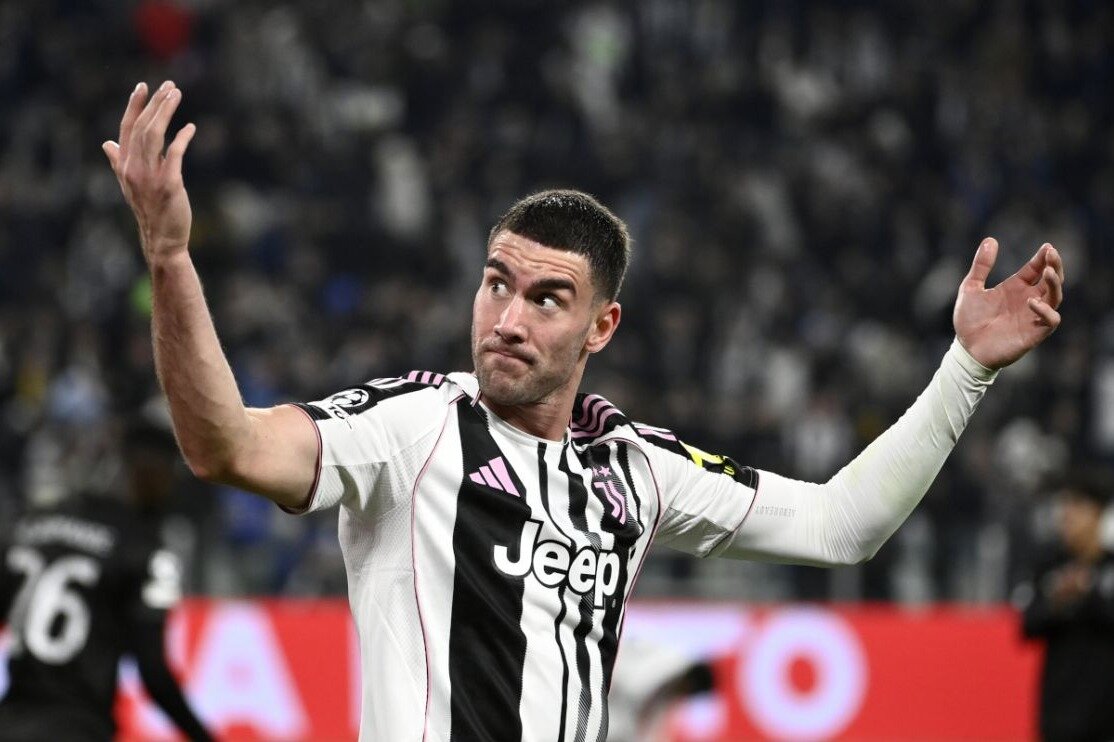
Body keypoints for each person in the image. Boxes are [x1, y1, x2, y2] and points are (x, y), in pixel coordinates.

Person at [101, 80, 1064, 741]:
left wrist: (967, 368)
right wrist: (171, 259)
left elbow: (840, 525)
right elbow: (224, 446)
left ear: (602, 325)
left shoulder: (634, 469)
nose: (507, 320)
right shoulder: (412, 427)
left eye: (546, 299)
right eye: (496, 283)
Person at [0, 415, 212, 741]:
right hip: (78, 726)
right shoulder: (145, 549)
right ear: (152, 472)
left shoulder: (33, 525)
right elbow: (153, 671)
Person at [1017, 472, 1114, 742]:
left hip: (1106, 714)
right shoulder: (1050, 565)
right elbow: (1028, 625)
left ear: (1098, 513)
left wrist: (1089, 592)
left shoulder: (1109, 567)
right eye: (1065, 506)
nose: (1066, 516)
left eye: (1077, 506)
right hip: (1059, 714)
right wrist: (1057, 601)